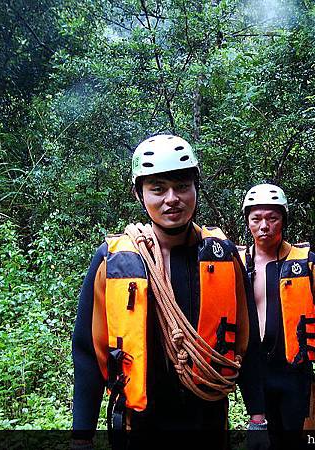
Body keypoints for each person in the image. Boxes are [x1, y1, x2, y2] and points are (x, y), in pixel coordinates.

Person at [71, 135, 265, 448]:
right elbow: (87, 350)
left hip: (207, 419)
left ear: (196, 188)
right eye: (157, 188)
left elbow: (248, 339)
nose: (171, 198)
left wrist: (258, 416)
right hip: (138, 424)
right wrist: (82, 434)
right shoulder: (113, 259)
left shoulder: (223, 255)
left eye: (182, 186)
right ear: (139, 194)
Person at [238, 183, 315, 446]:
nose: (264, 226)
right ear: (248, 222)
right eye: (256, 219)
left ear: (283, 220)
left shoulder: (306, 262)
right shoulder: (237, 262)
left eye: (272, 218)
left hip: (294, 371)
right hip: (253, 372)